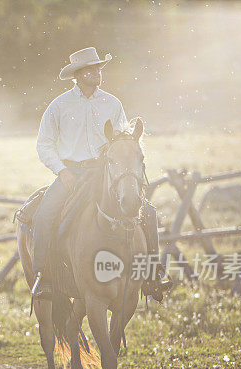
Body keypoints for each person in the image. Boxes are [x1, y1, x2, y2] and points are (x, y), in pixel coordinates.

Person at [32, 47, 172, 301]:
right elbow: (44, 144)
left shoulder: (112, 103)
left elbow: (124, 141)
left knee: (148, 212)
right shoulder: (59, 106)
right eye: (91, 68)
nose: (97, 72)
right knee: (44, 215)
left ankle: (152, 274)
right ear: (78, 74)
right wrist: (62, 172)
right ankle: (44, 279)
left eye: (98, 67)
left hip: (107, 172)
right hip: (71, 172)